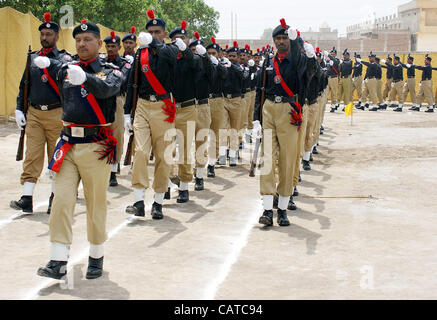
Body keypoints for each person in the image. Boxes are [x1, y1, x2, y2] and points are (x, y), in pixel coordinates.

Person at [36, 19, 123, 280]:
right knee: (61, 201)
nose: (82, 44)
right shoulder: (67, 67)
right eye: (78, 40)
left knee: (96, 204)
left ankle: (96, 255)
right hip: (67, 143)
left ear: (99, 42)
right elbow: (54, 75)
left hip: (96, 146)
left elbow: (109, 89)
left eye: (88, 40)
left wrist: (86, 78)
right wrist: (48, 65)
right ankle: (58, 259)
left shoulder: (111, 69)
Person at [253, 18, 316, 227]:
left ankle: (282, 209)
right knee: (268, 158)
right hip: (269, 109)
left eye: (284, 38)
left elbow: (310, 71)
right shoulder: (268, 62)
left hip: (290, 111)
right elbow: (260, 91)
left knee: (288, 161)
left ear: (289, 40)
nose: (281, 41)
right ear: (273, 41)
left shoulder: (297, 61)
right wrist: (256, 119)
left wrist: (304, 50)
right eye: (278, 38)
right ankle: (267, 209)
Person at [11, 12, 71, 215]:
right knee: (32, 156)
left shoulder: (64, 59)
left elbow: (68, 79)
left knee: (57, 157)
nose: (44, 37)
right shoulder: (32, 57)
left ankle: (55, 197)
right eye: (42, 34)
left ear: (56, 36)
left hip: (57, 113)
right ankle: (27, 198)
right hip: (34, 113)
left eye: (49, 34)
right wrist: (20, 108)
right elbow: (24, 86)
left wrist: (52, 65)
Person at [124, 9, 179, 219]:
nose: (153, 35)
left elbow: (170, 56)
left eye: (157, 32)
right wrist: (127, 111)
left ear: (164, 34)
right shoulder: (140, 53)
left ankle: (157, 201)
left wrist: (154, 43)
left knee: (163, 156)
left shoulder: (170, 50)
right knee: (140, 152)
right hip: (143, 106)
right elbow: (132, 82)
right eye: (150, 31)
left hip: (164, 107)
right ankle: (138, 200)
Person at [103, 31, 133, 186]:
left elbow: (123, 82)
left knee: (116, 135)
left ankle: (113, 170)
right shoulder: (99, 62)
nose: (110, 49)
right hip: (100, 100)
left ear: (119, 47)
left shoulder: (125, 64)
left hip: (117, 99)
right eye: (108, 46)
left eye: (113, 46)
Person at [189, 32, 214, 191]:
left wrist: (206, 58)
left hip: (203, 106)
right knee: (182, 142)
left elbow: (215, 75)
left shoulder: (207, 65)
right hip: (186, 106)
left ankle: (199, 175)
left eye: (198, 50)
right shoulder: (184, 64)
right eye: (192, 50)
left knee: (200, 142)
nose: (195, 53)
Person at [206, 38, 228, 178]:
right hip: (204, 101)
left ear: (219, 54)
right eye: (209, 53)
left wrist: (217, 64)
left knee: (215, 134)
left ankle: (211, 164)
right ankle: (199, 162)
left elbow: (225, 75)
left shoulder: (222, 65)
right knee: (200, 133)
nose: (211, 56)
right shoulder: (202, 64)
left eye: (214, 53)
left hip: (218, 100)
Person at [222, 41, 246, 167]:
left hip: (236, 100)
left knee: (234, 128)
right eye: (229, 56)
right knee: (223, 127)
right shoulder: (224, 66)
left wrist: (232, 65)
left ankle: (232, 154)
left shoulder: (240, 68)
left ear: (238, 57)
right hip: (224, 99)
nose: (231, 58)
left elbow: (243, 76)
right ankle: (222, 152)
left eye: (234, 56)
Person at [324, 47, 340, 112]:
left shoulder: (337, 60)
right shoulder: (328, 61)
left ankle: (333, 106)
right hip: (328, 78)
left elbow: (335, 61)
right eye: (331, 54)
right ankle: (324, 105)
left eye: (333, 54)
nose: (332, 55)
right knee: (326, 93)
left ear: (335, 55)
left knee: (334, 93)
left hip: (334, 78)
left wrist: (328, 55)